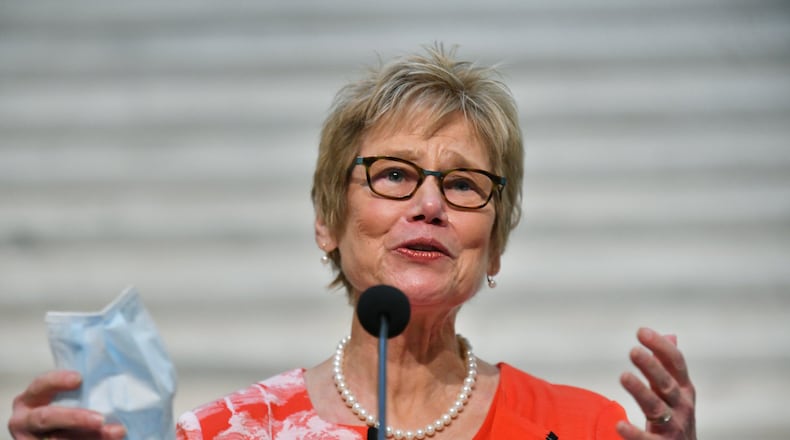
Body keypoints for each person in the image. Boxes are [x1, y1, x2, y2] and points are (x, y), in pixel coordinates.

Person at [8, 44, 696, 440]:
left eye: (463, 184)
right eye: (394, 174)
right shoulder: (233, 431)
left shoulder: (587, 428)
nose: (429, 205)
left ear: (495, 248)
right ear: (328, 221)